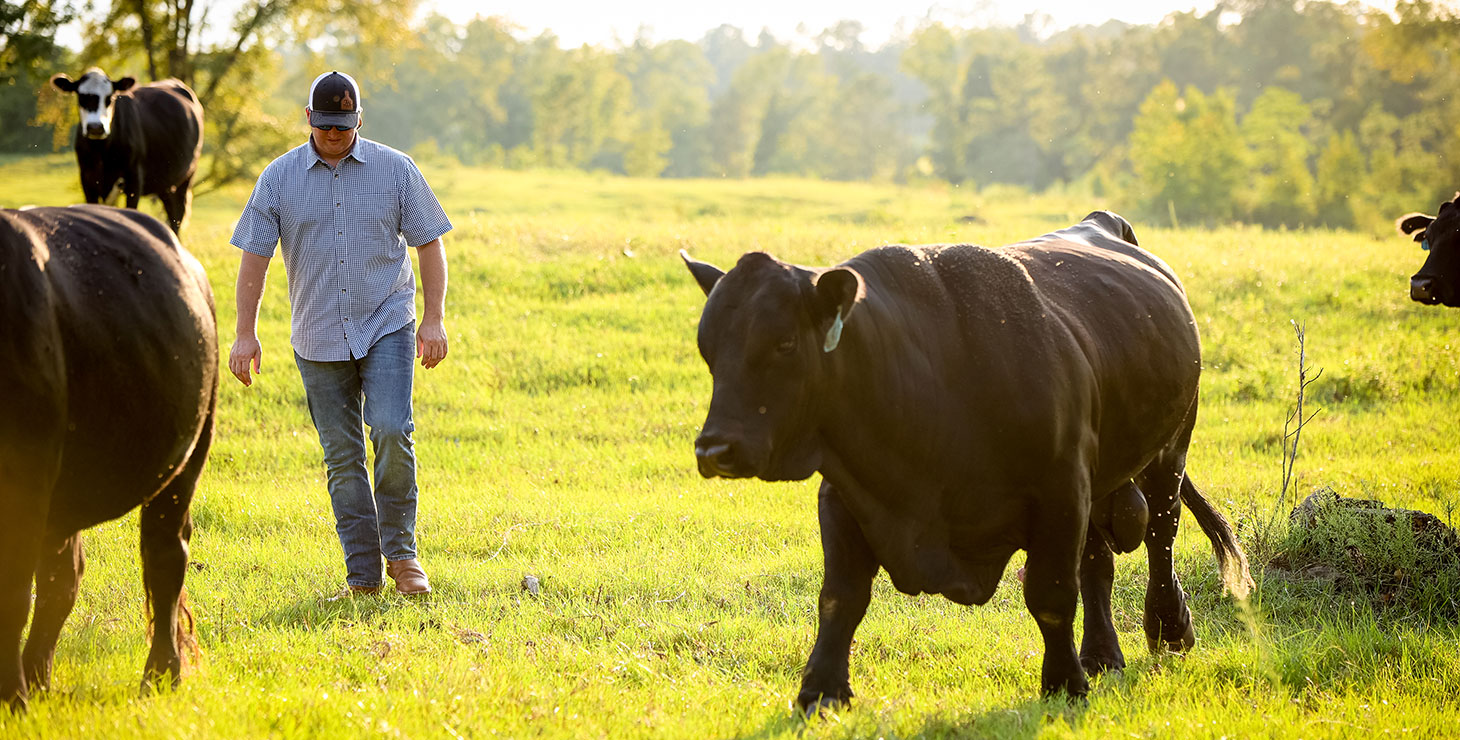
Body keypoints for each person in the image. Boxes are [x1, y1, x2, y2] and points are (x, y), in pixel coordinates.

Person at [229, 70, 452, 596]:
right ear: (309, 119)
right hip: (317, 332)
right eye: (326, 126)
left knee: (393, 429)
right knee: (342, 456)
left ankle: (402, 556)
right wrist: (244, 334)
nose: (334, 135)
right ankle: (363, 577)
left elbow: (430, 244)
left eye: (344, 126)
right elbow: (254, 258)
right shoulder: (278, 178)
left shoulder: (396, 170)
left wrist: (434, 317)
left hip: (386, 322)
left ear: (359, 119)